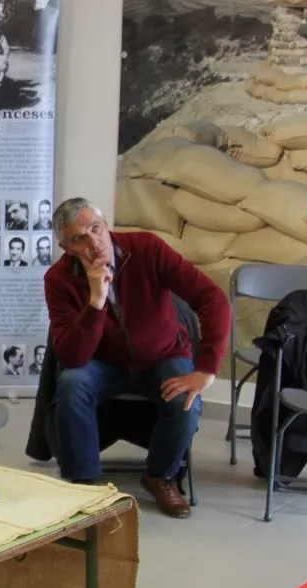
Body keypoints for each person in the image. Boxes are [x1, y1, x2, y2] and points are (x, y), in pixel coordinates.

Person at [47, 198, 229, 518]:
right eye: (80, 238)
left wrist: (207, 369)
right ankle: (83, 483)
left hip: (162, 357)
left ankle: (160, 476)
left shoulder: (147, 249)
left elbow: (212, 299)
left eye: (96, 228)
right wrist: (95, 301)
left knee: (187, 399)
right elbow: (73, 356)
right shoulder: (58, 279)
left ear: (106, 225)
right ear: (66, 247)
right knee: (72, 381)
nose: (93, 241)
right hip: (101, 363)